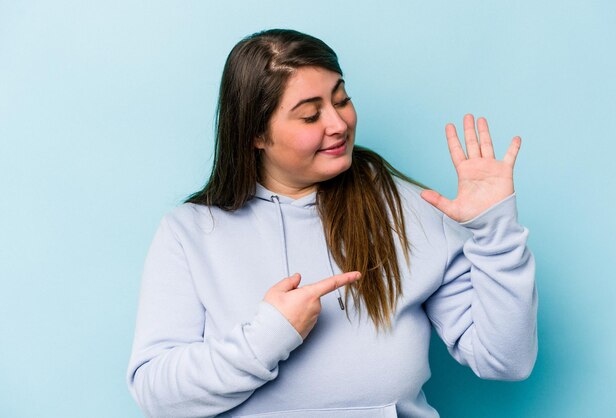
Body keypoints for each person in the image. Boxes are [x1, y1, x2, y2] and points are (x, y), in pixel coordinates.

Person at [126, 28, 537, 418]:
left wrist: (494, 230)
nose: (338, 124)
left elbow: (506, 360)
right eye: (310, 116)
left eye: (341, 100)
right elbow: (158, 396)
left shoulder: (409, 209)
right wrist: (268, 336)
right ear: (256, 134)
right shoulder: (191, 232)